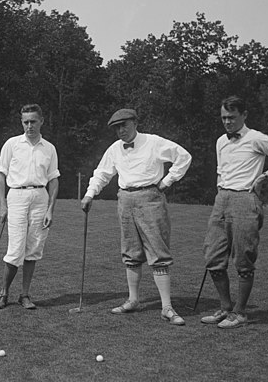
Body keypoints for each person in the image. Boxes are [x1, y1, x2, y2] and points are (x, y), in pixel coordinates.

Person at [81, 108, 192, 326]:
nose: (120, 131)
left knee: (158, 251)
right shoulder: (114, 149)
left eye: (124, 125)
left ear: (135, 122)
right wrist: (89, 194)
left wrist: (167, 181)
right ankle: (133, 300)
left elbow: (184, 157)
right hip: (125, 200)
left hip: (150, 197)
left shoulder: (153, 142)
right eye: (116, 128)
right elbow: (102, 173)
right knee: (131, 251)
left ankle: (167, 307)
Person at [201, 96, 268, 329]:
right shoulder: (220, 141)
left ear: (244, 115)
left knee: (244, 258)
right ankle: (225, 308)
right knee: (213, 257)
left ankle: (240, 312)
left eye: (232, 117)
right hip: (222, 198)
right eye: (224, 117)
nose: (227, 122)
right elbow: (220, 170)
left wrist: (264, 175)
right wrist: (219, 191)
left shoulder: (256, 138)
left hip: (246, 200)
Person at [0, 103, 60, 310]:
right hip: (17, 197)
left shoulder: (49, 148)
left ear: (41, 121)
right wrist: (3, 205)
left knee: (33, 249)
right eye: (25, 122)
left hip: (40, 196)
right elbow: (0, 174)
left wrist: (50, 208)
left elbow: (54, 179)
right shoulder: (12, 144)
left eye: (33, 121)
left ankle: (25, 295)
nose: (29, 126)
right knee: (15, 250)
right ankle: (4, 293)